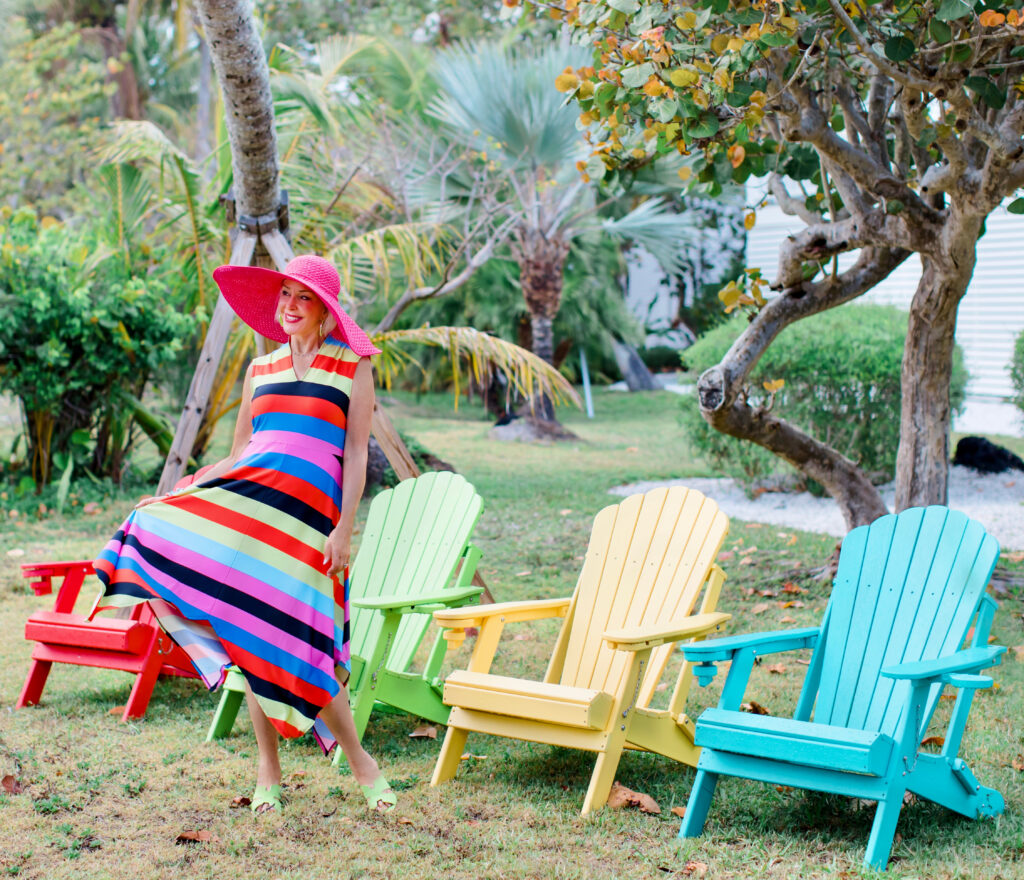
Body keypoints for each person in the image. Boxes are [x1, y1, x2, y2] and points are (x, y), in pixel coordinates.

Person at [94, 254, 396, 814]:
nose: (290, 307)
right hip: (250, 518)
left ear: (324, 310)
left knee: (309, 644)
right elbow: (240, 455)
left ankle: (361, 763)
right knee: (255, 634)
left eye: (303, 298)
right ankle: (268, 774)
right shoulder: (260, 370)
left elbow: (356, 454)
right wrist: (177, 496)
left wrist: (344, 528)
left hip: (308, 527)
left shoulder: (351, 365)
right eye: (284, 296)